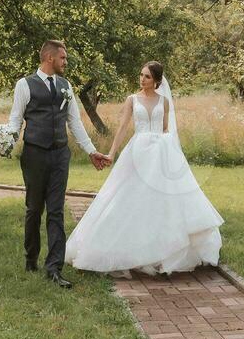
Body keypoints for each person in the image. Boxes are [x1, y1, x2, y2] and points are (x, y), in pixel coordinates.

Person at [66, 60, 223, 276]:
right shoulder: (132, 99)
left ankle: (162, 251)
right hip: (137, 152)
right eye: (141, 75)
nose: (142, 79)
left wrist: (170, 151)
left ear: (157, 80)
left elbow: (167, 129)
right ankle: (128, 249)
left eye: (147, 76)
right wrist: (111, 153)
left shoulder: (164, 102)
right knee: (128, 198)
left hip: (160, 154)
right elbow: (122, 128)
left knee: (162, 201)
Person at [4, 40, 110, 289]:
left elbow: (75, 123)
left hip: (60, 155)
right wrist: (5, 141)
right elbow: (15, 119)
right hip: (34, 154)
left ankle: (54, 268)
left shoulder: (66, 86)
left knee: (56, 211)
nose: (66, 62)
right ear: (50, 58)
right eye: (63, 58)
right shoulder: (24, 84)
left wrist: (91, 151)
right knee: (33, 209)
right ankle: (31, 258)